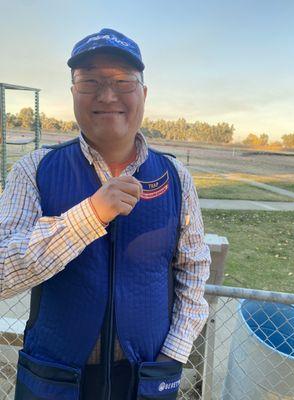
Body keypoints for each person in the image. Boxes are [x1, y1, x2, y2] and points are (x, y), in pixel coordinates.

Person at [0, 28, 211, 400]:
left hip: (145, 377)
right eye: (90, 81)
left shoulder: (176, 177)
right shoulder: (34, 170)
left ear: (143, 93)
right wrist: (90, 215)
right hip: (55, 377)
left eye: (122, 82)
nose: (107, 94)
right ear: (73, 93)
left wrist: (173, 354)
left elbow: (193, 271)